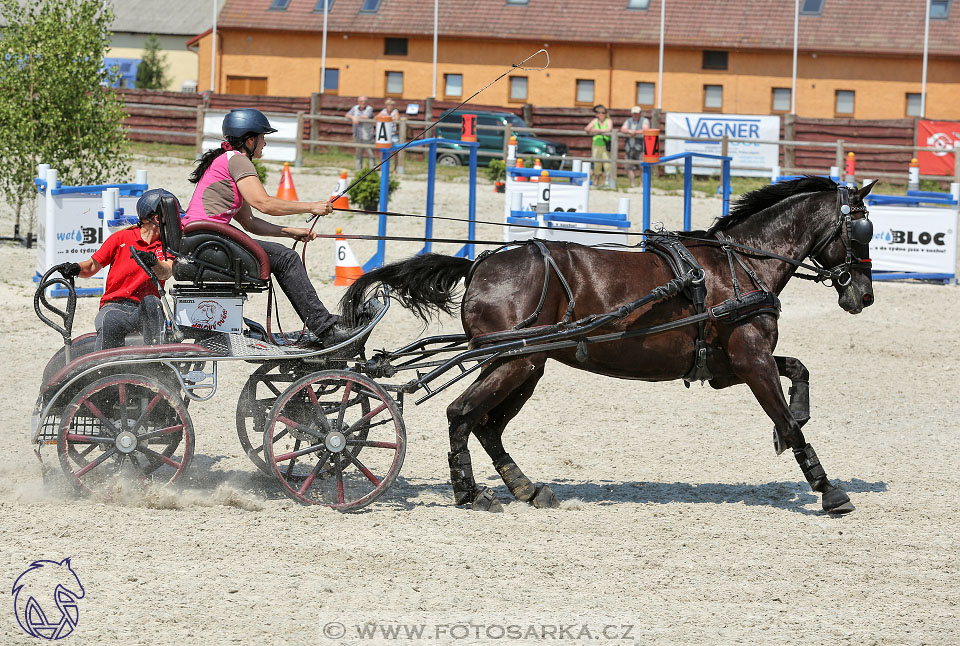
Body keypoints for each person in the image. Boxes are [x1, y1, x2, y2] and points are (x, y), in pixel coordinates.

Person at [182, 108, 359, 348]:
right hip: (209, 242)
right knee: (286, 258)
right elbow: (264, 204)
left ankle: (322, 325)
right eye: (263, 137)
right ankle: (326, 330)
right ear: (250, 140)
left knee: (284, 255)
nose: (265, 143)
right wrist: (311, 207)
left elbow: (250, 222)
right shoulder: (237, 161)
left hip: (206, 241)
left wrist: (290, 231)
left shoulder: (228, 160)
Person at [55, 188, 178, 351]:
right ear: (157, 218)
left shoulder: (167, 246)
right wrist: (75, 268)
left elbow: (166, 271)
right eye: (173, 217)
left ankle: (155, 362)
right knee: (110, 318)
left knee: (152, 302)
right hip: (114, 306)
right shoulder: (121, 238)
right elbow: (91, 266)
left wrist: (153, 262)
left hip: (144, 309)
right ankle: (102, 370)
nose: (176, 222)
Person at [621, 106, 651, 189]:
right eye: (634, 113)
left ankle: (642, 184)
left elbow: (646, 130)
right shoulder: (628, 121)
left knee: (643, 167)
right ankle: (632, 184)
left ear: (640, 113)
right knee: (628, 167)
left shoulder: (644, 120)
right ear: (632, 114)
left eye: (637, 113)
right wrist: (631, 132)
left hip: (641, 148)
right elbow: (623, 129)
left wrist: (634, 132)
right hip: (629, 147)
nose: (635, 115)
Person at [584, 104, 612, 186]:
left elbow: (609, 129)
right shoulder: (595, 121)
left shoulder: (608, 121)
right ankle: (596, 180)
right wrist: (590, 130)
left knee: (607, 163)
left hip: (605, 145)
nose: (601, 114)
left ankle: (607, 181)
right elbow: (587, 128)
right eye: (599, 113)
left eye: (603, 113)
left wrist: (596, 130)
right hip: (596, 144)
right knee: (596, 164)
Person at [346, 96, 374, 170]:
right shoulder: (355, 108)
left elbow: (367, 116)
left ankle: (372, 169)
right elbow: (347, 114)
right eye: (361, 101)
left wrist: (356, 117)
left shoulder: (369, 108)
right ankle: (358, 170)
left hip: (366, 134)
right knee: (358, 152)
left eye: (364, 101)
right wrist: (353, 118)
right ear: (358, 102)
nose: (363, 103)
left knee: (370, 152)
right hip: (357, 133)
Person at [378, 98, 401, 175]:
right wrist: (389, 118)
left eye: (391, 104)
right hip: (385, 134)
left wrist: (386, 118)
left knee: (395, 151)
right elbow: (377, 117)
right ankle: (382, 167)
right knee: (383, 150)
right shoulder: (383, 111)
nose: (390, 106)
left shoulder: (395, 111)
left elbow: (397, 119)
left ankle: (395, 168)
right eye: (388, 104)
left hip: (393, 134)